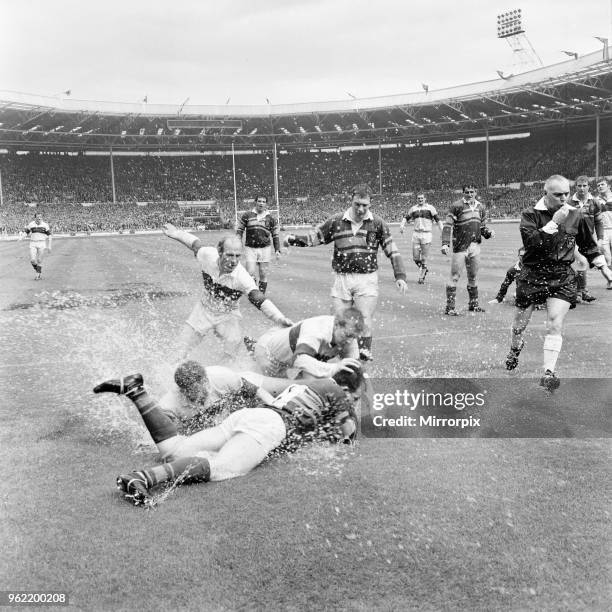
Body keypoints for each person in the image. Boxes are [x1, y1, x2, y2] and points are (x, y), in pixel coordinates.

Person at [93, 366, 364, 507]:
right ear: (345, 388)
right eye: (354, 395)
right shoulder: (335, 389)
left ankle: (135, 391)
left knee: (177, 450)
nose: (353, 400)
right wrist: (349, 413)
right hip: (270, 426)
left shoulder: (312, 386)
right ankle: (141, 478)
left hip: (251, 416)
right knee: (223, 468)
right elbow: (346, 433)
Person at [504, 175, 612, 392]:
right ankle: (515, 349)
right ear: (546, 193)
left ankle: (548, 372)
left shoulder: (576, 213)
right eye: (558, 195)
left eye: (566, 193)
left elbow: (588, 245)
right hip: (532, 274)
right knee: (519, 327)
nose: (564, 199)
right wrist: (555, 222)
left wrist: (605, 269)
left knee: (554, 323)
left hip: (561, 276)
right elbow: (532, 244)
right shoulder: (530, 214)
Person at [284, 184, 407, 361]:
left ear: (370, 204)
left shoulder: (378, 223)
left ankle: (363, 359)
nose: (361, 208)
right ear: (351, 200)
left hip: (367, 278)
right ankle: (333, 360)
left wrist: (400, 276)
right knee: (339, 322)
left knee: (364, 318)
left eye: (365, 205)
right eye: (357, 204)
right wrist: (294, 239)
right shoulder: (337, 220)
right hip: (342, 277)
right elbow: (315, 238)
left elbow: (392, 250)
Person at [162, 224, 292, 361]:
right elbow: (195, 244)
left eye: (237, 256)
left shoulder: (242, 277)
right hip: (203, 311)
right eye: (229, 255)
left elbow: (257, 297)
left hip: (228, 315)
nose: (234, 261)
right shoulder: (208, 255)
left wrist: (279, 318)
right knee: (179, 350)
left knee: (232, 349)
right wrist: (176, 233)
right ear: (219, 251)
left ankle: (220, 376)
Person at [159, 360, 296, 419]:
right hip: (225, 409)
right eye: (189, 391)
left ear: (205, 380)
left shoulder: (222, 377)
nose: (194, 394)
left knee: (288, 386)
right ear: (182, 390)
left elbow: (256, 391)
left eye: (198, 388)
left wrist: (276, 407)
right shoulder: (169, 406)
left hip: (246, 383)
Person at [248, 308, 363, 378]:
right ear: (336, 324)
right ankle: (254, 349)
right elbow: (300, 360)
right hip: (267, 353)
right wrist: (334, 367)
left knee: (311, 385)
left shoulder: (349, 335)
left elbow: (356, 373)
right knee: (277, 396)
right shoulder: (317, 330)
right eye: (347, 336)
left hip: (286, 357)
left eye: (353, 337)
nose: (349, 341)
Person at [441, 184, 495, 315]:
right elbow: (448, 225)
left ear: (476, 192)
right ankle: (450, 307)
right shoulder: (456, 206)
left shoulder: (481, 207)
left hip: (475, 246)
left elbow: (482, 227)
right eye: (467, 192)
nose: (470, 194)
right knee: (455, 276)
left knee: (473, 276)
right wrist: (445, 243)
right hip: (460, 246)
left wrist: (488, 233)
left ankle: (473, 305)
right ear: (463, 193)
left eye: (472, 192)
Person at [236, 194, 281, 295]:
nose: (261, 203)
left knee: (263, 273)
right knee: (250, 273)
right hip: (250, 247)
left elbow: (275, 235)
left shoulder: (271, 219)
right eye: (259, 201)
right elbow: (240, 229)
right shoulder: (247, 215)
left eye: (263, 201)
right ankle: (254, 291)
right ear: (255, 202)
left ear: (266, 204)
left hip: (265, 248)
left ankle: (261, 296)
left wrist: (277, 250)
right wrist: (238, 241)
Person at [569, 176, 604, 302]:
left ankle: (580, 292)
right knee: (581, 263)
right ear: (576, 187)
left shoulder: (594, 202)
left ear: (589, 187)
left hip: (588, 240)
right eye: (579, 186)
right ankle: (581, 291)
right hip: (573, 240)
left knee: (582, 264)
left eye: (584, 186)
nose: (582, 188)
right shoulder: (569, 203)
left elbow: (599, 222)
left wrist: (600, 239)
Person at [399, 193, 443, 284]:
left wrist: (442, 230)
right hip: (416, 234)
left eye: (422, 198)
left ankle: (421, 276)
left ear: (425, 199)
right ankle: (424, 268)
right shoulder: (413, 208)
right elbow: (406, 217)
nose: (420, 199)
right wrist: (402, 225)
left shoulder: (430, 208)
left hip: (426, 235)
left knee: (424, 257)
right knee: (415, 257)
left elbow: (438, 220)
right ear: (416, 199)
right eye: (418, 198)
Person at [22, 212, 52, 280]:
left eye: (40, 217)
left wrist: (49, 246)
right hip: (33, 243)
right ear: (35, 218)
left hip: (42, 243)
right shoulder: (31, 224)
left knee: (39, 260)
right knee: (32, 260)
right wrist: (21, 237)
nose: (39, 218)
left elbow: (49, 235)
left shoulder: (45, 225)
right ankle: (38, 270)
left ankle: (37, 275)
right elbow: (26, 232)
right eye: (38, 217)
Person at [595, 177, 612, 275]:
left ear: (608, 186)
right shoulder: (595, 200)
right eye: (598, 185)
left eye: (602, 184)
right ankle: (611, 280)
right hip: (603, 230)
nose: (600, 187)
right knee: (607, 256)